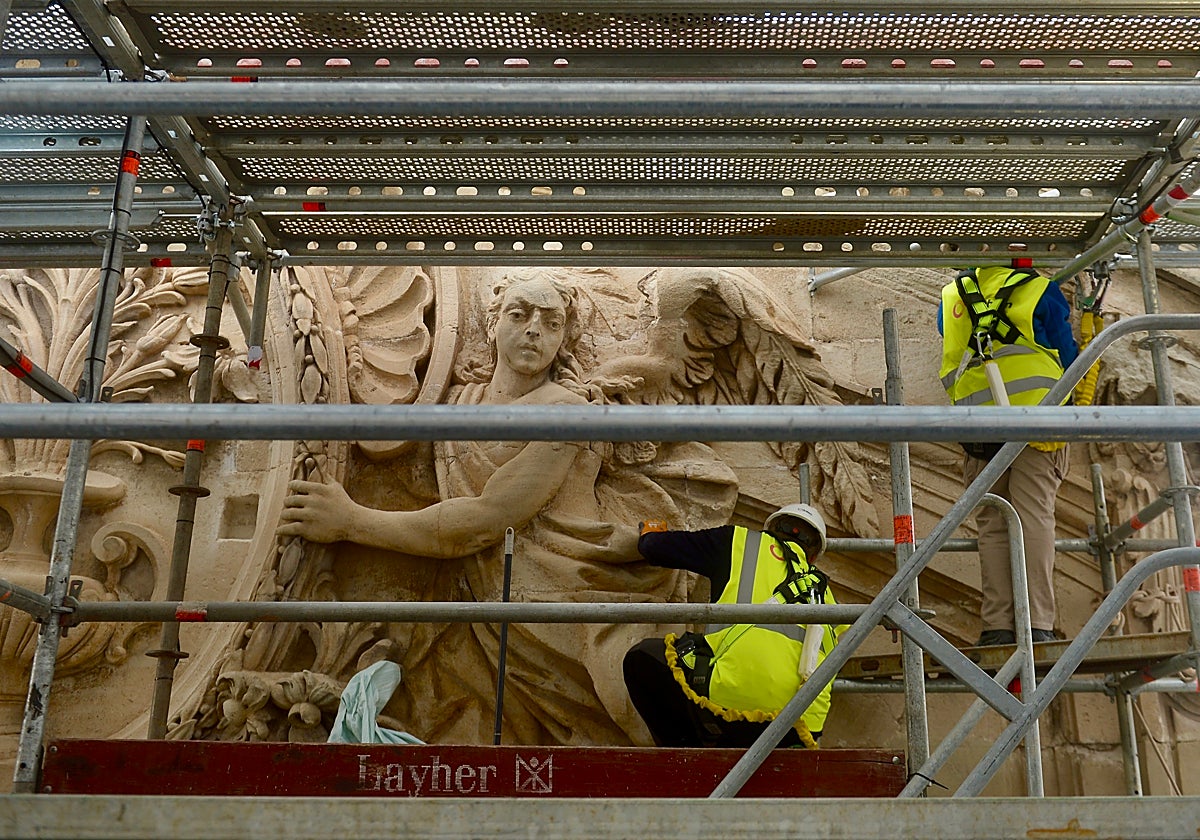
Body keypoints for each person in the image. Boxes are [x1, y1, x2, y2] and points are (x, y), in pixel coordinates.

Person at [279, 269, 737, 745]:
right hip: (492, 600)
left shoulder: (567, 412)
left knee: (640, 719)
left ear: (564, 340)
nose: (534, 329)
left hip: (574, 588)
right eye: (519, 314)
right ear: (493, 324)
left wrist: (353, 521)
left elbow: (481, 523)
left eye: (551, 322)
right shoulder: (463, 402)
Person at [937, 261, 1079, 647]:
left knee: (994, 523)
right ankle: (1037, 624)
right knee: (1034, 518)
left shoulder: (953, 295)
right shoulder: (1038, 290)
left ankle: (997, 625)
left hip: (979, 424)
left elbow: (951, 347)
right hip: (1037, 421)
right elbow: (1070, 359)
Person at [622, 503, 843, 749]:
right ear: (813, 556)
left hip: (731, 707)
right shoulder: (828, 595)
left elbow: (655, 548)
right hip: (799, 731)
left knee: (641, 658)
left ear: (768, 531)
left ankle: (685, 757)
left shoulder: (738, 543)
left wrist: (651, 533)